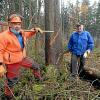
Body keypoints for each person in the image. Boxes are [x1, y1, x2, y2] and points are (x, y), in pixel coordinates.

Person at [0, 14, 43, 99]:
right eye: (14, 23)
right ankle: (8, 96)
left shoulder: (21, 32)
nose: (17, 26)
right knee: (12, 81)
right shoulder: (3, 36)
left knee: (36, 66)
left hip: (22, 58)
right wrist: (0, 65)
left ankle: (39, 81)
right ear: (9, 24)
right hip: (12, 62)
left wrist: (34, 30)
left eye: (19, 24)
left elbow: (28, 34)